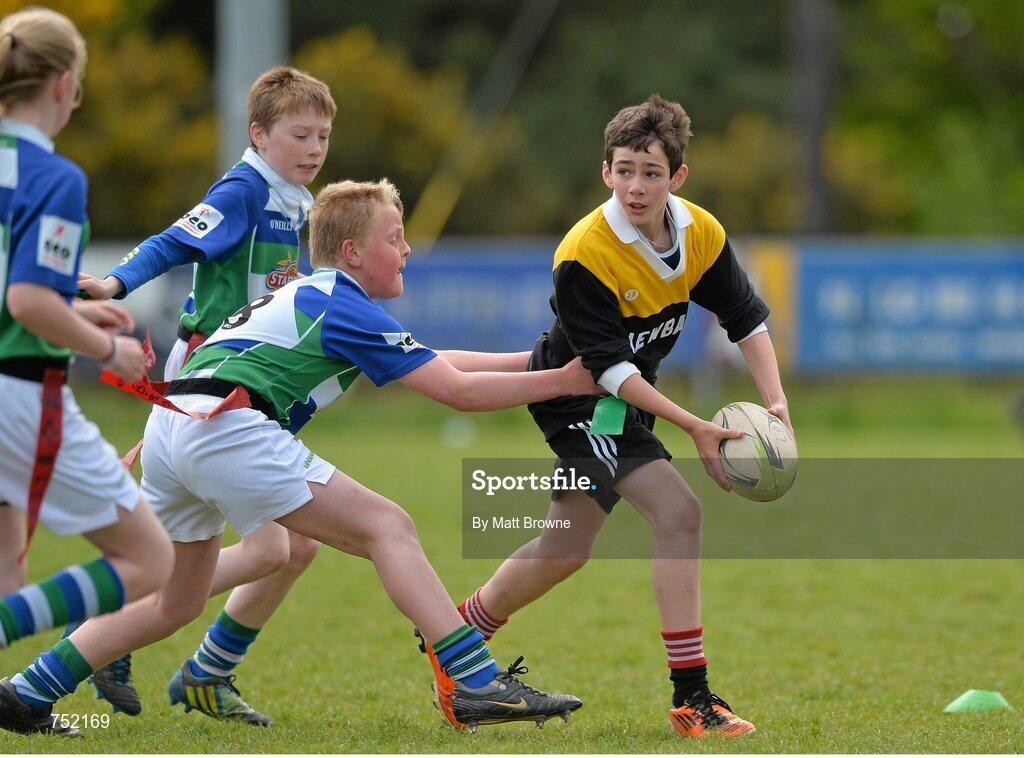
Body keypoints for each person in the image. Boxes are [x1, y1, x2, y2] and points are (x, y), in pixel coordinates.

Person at [0, 178, 596, 740]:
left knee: (175, 600)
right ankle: (474, 681)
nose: (408, 249)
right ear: (351, 251)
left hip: (172, 424)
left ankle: (27, 692)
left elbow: (437, 360)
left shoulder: (312, 294)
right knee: (388, 527)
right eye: (395, 238)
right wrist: (565, 381)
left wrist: (539, 363)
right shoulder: (344, 303)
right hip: (225, 427)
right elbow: (458, 393)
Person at [417, 95, 795, 738]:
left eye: (651, 172)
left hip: (620, 399)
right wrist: (695, 426)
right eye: (623, 170)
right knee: (680, 513)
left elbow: (745, 318)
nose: (636, 187)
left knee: (564, 551)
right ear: (605, 172)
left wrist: (776, 399)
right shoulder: (585, 253)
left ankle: (454, 640)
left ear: (677, 177)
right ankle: (693, 698)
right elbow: (608, 372)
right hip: (579, 398)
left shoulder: (700, 231)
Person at [75, 65, 335, 723]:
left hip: (242, 380)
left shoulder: (294, 198)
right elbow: (175, 240)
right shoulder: (245, 188)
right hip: (211, 380)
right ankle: (137, 644)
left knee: (281, 548)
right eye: (300, 134)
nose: (313, 148)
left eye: (323, 136)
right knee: (275, 548)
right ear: (258, 133)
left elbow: (273, 287)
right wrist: (113, 285)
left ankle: (183, 661)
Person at [0, 6, 174, 736]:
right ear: (66, 84)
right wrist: (110, 350)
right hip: (17, 391)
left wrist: (75, 303)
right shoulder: (54, 175)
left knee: (7, 554)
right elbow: (26, 298)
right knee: (148, 559)